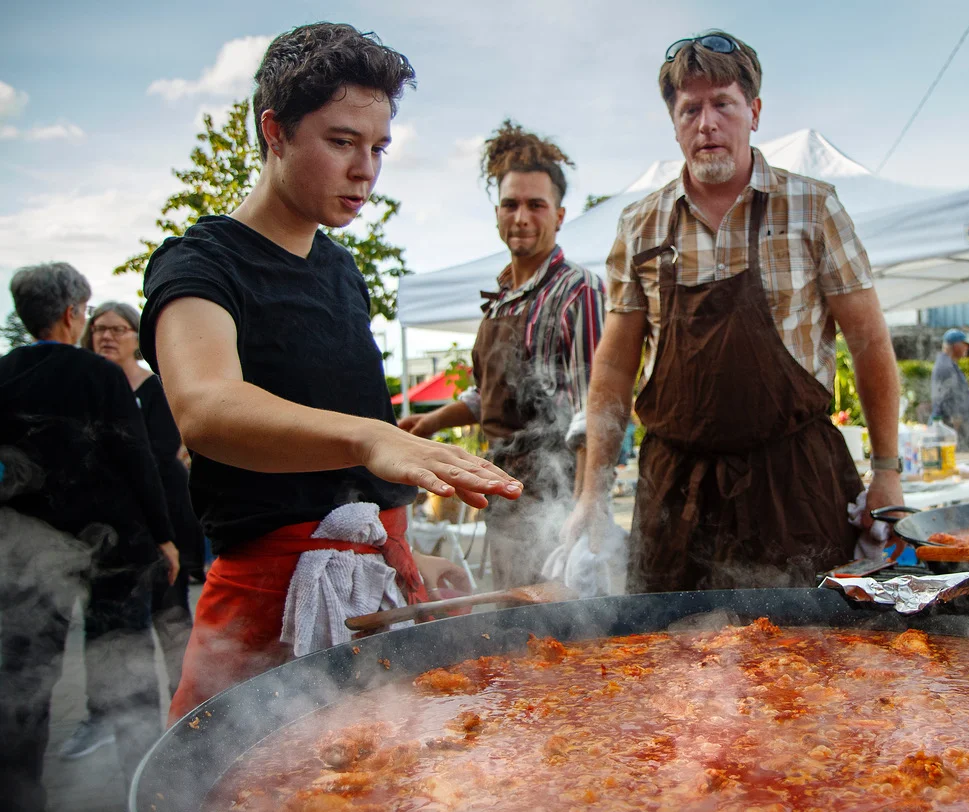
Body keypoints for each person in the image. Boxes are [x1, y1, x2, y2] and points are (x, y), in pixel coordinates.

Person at [139, 23, 522, 724]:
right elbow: (205, 404)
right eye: (342, 142)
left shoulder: (343, 271)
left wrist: (404, 543)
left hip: (378, 577)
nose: (366, 170)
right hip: (263, 598)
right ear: (275, 131)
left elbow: (352, 465)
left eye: (378, 148)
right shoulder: (199, 263)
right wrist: (369, 437)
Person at [566, 30, 903, 592]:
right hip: (676, 493)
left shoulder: (813, 208)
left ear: (754, 112)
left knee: (814, 664)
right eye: (689, 109)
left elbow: (869, 342)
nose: (707, 124)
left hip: (794, 483)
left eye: (722, 103)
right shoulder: (640, 225)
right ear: (673, 124)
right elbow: (615, 366)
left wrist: (887, 473)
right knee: (669, 663)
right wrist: (591, 495)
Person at [0, 263, 178, 812]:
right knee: (120, 668)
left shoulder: (3, 373)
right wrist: (165, 537)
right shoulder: (98, 375)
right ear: (72, 313)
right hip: (114, 548)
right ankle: (145, 796)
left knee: (24, 673)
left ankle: (16, 807)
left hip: (25, 552)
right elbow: (136, 458)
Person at [399, 121, 604, 590]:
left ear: (560, 214)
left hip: (554, 494)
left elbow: (592, 411)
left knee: (560, 631)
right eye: (511, 204)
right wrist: (428, 425)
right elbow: (484, 394)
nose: (522, 217)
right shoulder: (503, 295)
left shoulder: (578, 291)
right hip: (500, 485)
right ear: (497, 212)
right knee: (512, 620)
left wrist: (582, 508)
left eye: (536, 205)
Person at [78, 302, 199, 702]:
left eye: (118, 329)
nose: (106, 336)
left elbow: (161, 451)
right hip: (107, 526)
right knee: (112, 627)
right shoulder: (87, 387)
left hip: (163, 514)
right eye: (99, 329)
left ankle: (186, 708)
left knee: (170, 615)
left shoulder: (157, 388)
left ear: (136, 338)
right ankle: (116, 715)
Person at [931, 329, 969, 449]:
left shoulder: (948, 364)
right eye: (965, 345)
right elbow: (947, 395)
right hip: (948, 424)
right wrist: (955, 416)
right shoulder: (946, 366)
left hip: (950, 423)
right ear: (956, 345)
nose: (967, 348)